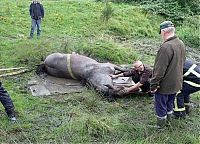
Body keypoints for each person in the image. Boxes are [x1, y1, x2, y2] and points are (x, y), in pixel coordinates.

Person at [150, 21, 185, 128]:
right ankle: (168, 122)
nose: (161, 34)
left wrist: (154, 85)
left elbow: (159, 70)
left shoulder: (166, 47)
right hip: (176, 83)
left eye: (160, 32)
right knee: (170, 103)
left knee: (160, 105)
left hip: (164, 85)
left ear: (164, 31)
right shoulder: (180, 43)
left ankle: (160, 126)